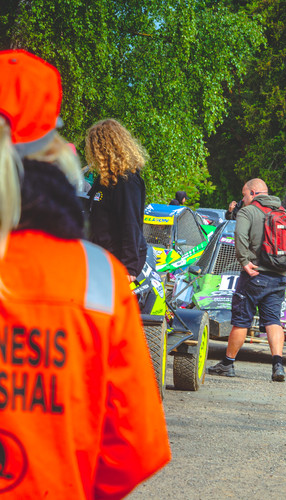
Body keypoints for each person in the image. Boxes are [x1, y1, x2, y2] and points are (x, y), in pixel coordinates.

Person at [0, 48, 169, 498]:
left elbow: (131, 229)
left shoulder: (124, 182)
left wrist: (131, 270)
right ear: (53, 146)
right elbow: (137, 446)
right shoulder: (97, 280)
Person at [208, 178, 286, 381]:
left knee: (241, 321)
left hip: (254, 276)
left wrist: (244, 261)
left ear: (253, 193)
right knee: (273, 320)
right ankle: (278, 366)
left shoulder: (248, 211)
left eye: (244, 195)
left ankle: (228, 363)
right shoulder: (285, 213)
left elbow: (240, 236)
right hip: (279, 277)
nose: (243, 199)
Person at [85, 119, 148, 281]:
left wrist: (129, 268)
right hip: (102, 257)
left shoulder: (127, 182)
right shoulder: (104, 180)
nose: (93, 155)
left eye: (95, 149)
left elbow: (131, 223)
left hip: (119, 260)